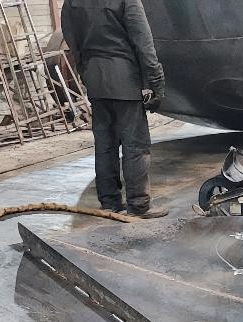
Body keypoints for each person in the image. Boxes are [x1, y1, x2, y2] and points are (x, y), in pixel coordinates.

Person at [61, 0, 168, 217]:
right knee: (135, 145)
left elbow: (72, 40)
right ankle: (139, 205)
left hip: (95, 79)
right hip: (124, 79)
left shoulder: (71, 2)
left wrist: (86, 72)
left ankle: (109, 203)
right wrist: (157, 82)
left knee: (105, 145)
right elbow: (143, 42)